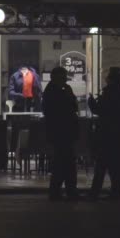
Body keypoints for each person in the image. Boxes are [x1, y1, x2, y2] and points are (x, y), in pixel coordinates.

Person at [88, 67, 120, 200]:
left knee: (102, 165)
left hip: (106, 135)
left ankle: (96, 192)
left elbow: (100, 110)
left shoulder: (108, 93)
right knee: (119, 164)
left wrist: (91, 103)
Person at [42, 67, 80, 201]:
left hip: (64, 132)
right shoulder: (53, 92)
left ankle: (63, 190)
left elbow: (73, 106)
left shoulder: (60, 90)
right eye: (63, 77)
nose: (65, 80)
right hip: (61, 132)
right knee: (63, 163)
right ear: (56, 78)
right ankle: (63, 190)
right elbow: (66, 108)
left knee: (65, 162)